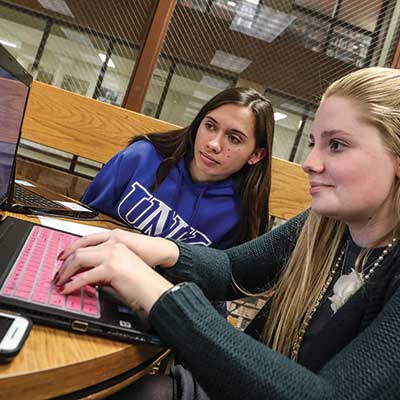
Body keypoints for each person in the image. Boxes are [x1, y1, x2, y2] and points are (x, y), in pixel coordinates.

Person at [55, 66, 400, 400]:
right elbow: (235, 270)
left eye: (336, 145)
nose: (310, 162)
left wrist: (158, 294)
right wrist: (160, 248)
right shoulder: (324, 223)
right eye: (313, 143)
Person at [81, 87, 275, 250]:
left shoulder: (240, 215)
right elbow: (82, 220)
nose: (214, 144)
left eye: (234, 138)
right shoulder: (140, 157)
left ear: (256, 155)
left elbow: (216, 286)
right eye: (210, 126)